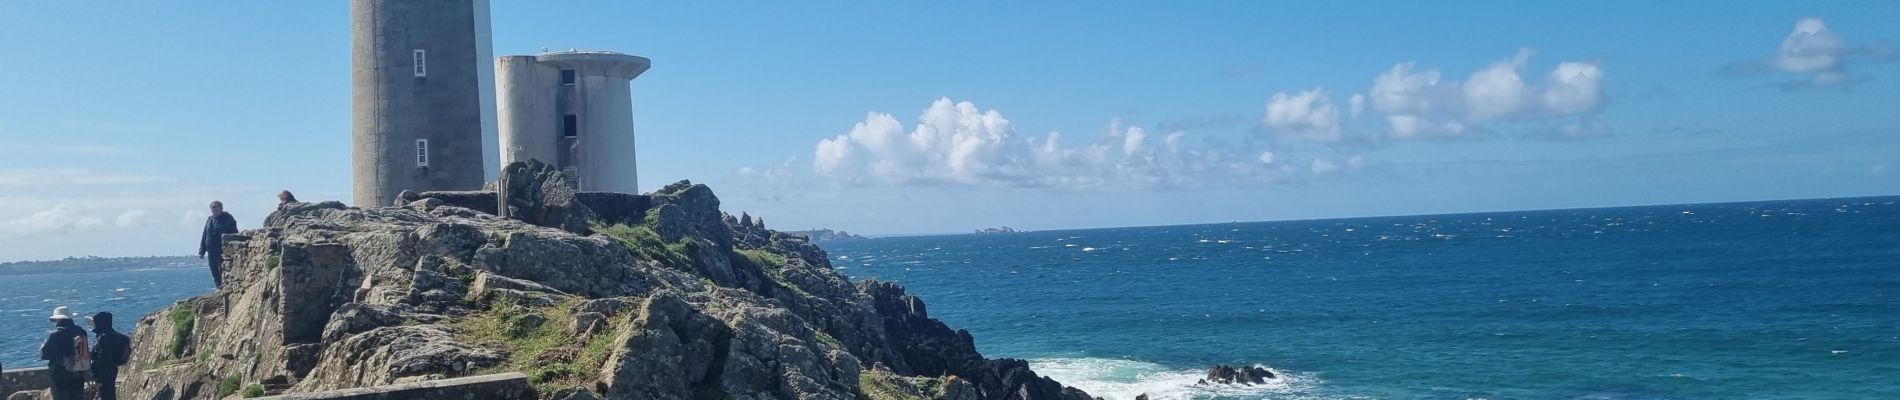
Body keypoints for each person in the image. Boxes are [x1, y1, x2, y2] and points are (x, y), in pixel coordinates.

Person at [38, 307, 87, 400]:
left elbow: (45, 354)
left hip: (60, 374)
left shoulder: (56, 334)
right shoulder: (81, 331)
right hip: (79, 372)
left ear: (58, 319)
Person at [89, 312, 130, 400]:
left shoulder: (103, 337)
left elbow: (102, 358)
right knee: (110, 394)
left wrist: (97, 377)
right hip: (112, 370)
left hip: (103, 373)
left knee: (106, 395)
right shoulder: (114, 335)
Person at [198, 200, 239, 288]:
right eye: (212, 208)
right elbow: (205, 235)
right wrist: (202, 251)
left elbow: (234, 233)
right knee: (214, 271)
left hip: (222, 250)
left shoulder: (227, 218)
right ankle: (219, 287)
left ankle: (225, 286)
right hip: (211, 250)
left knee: (223, 269)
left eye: (215, 208)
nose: (213, 210)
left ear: (221, 208)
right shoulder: (209, 220)